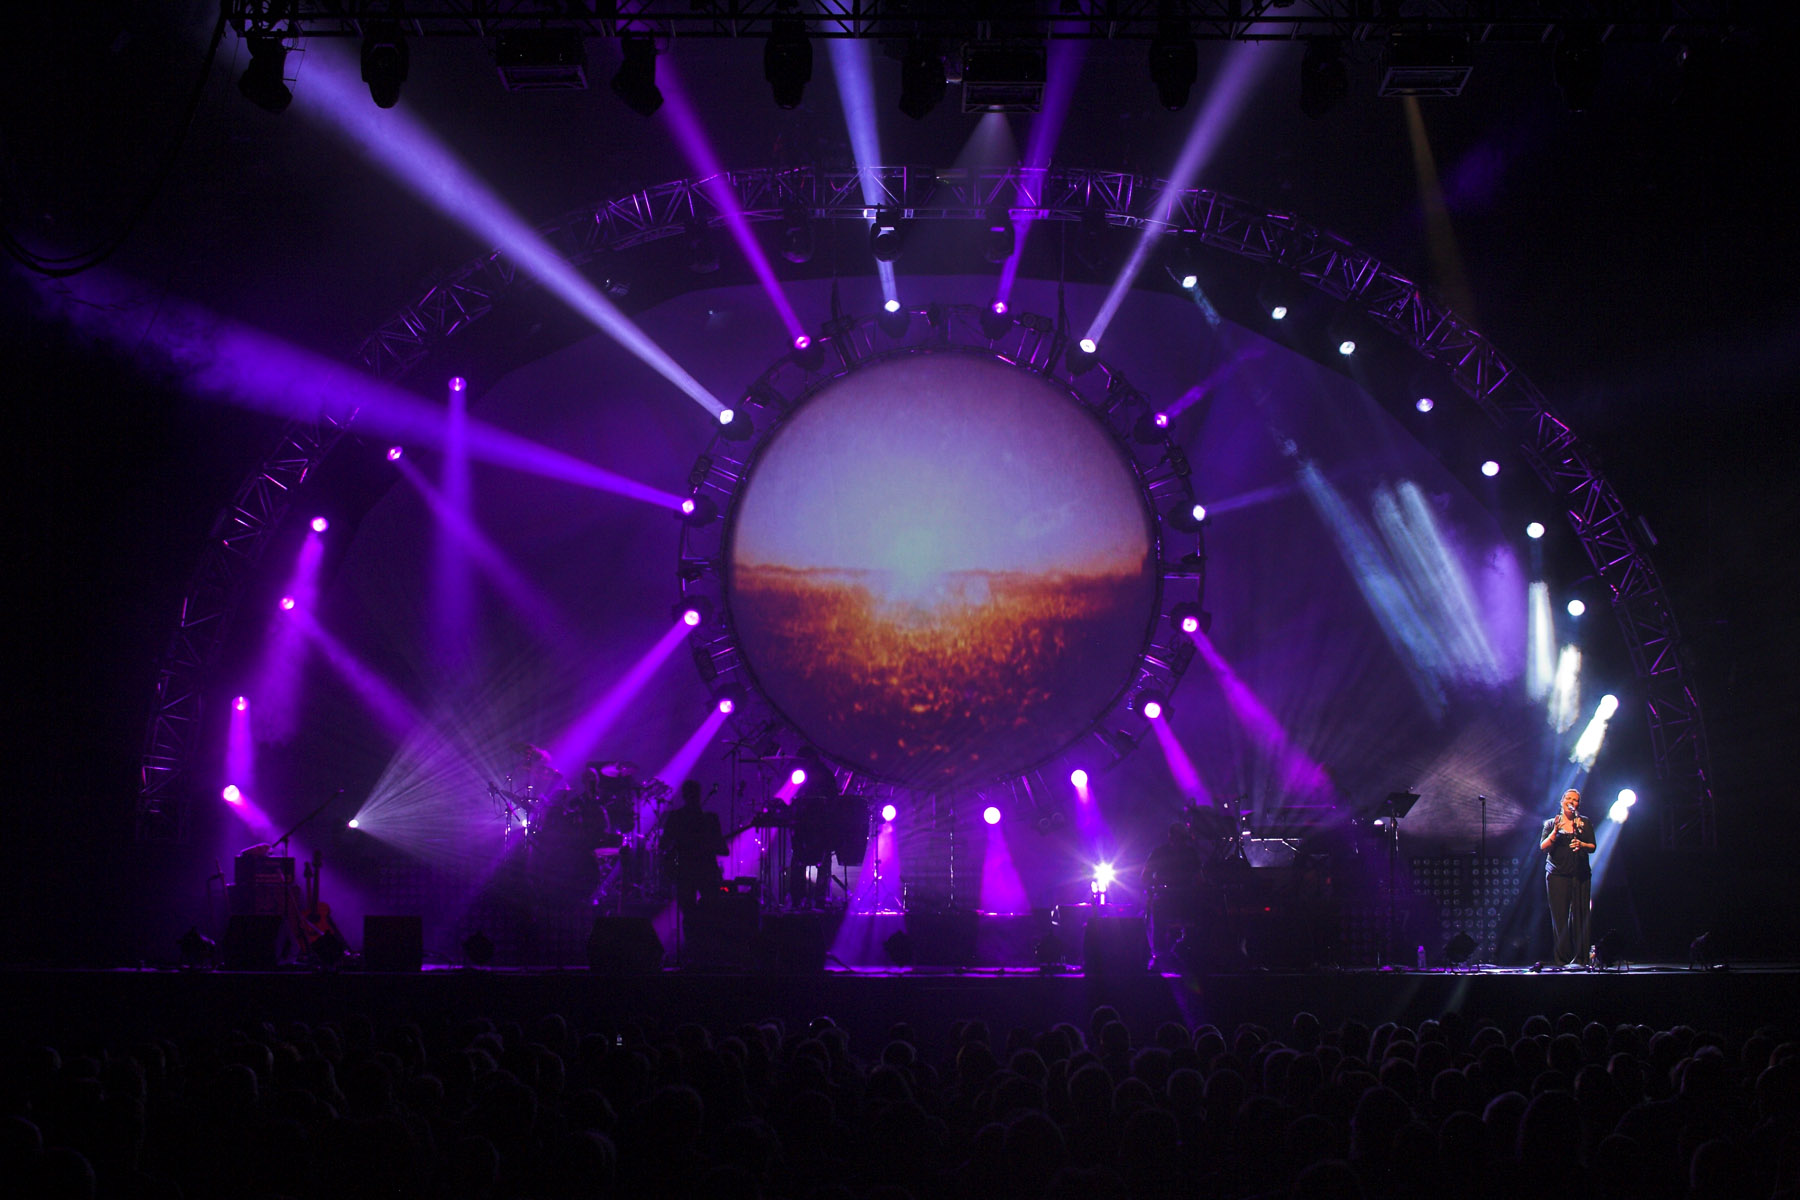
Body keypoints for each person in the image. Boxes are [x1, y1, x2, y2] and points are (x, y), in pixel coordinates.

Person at [1540, 788, 1594, 966]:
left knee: (1580, 915)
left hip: (1580, 874)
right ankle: (1563, 959)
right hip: (1557, 874)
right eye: (1569, 798)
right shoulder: (1552, 823)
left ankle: (1581, 958)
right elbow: (1543, 847)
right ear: (1562, 801)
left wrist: (1582, 844)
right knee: (1560, 917)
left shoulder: (1584, 823)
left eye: (1575, 799)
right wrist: (1555, 832)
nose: (1572, 802)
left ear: (1578, 804)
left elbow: (1592, 846)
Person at [660, 780, 727, 919]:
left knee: (688, 912)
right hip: (707, 869)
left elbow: (663, 844)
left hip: (685, 870)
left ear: (684, 795)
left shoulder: (676, 817)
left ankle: (692, 931)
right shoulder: (710, 819)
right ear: (699, 795)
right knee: (711, 912)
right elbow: (722, 849)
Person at [1140, 820, 1203, 968]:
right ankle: (1159, 953)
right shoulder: (1160, 853)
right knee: (1158, 913)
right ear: (1171, 837)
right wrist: (1154, 887)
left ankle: (1191, 949)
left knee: (1201, 912)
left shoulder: (1190, 853)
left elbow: (1199, 877)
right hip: (1165, 896)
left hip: (1186, 897)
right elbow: (1145, 877)